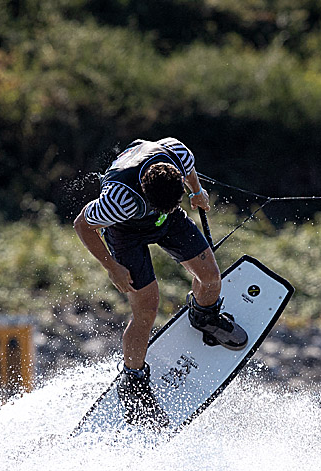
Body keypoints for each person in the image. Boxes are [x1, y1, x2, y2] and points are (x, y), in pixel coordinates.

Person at [73, 137, 247, 426]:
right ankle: (133, 381)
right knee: (147, 309)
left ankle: (204, 316)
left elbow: (189, 172)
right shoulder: (118, 201)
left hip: (169, 221)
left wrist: (197, 192)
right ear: (145, 192)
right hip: (126, 233)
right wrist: (112, 267)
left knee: (211, 279)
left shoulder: (177, 154)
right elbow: (82, 225)